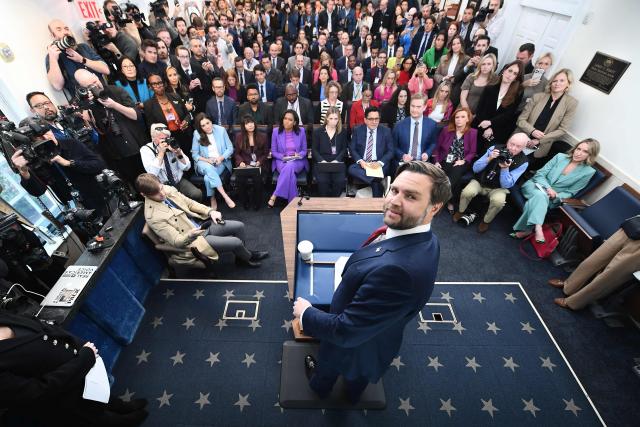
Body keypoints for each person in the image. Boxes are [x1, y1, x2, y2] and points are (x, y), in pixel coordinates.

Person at [293, 161, 451, 403]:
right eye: (395, 190)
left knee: (329, 369)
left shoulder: (397, 273)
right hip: (379, 336)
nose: (395, 200)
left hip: (352, 345)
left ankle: (320, 387)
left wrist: (306, 314)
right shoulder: (427, 239)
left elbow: (345, 331)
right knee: (358, 381)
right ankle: (352, 396)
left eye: (410, 196)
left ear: (434, 207)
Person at [0, 311, 149, 426]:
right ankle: (124, 422)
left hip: (78, 367)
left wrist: (76, 343)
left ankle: (123, 407)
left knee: (101, 393)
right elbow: (37, 391)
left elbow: (39, 326)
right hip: (62, 396)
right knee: (95, 417)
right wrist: (84, 360)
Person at [136, 173, 268, 269]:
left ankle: (241, 258)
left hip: (201, 225)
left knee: (239, 226)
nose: (163, 194)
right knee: (236, 242)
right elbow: (176, 241)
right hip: (194, 240)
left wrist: (210, 211)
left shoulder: (167, 189)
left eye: (161, 188)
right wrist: (190, 235)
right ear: (144, 195)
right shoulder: (153, 216)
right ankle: (247, 257)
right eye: (157, 193)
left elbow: (190, 203)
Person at [10, 118, 108, 213]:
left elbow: (99, 164)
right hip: (78, 213)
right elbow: (38, 192)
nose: (45, 138)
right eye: (37, 138)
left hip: (102, 198)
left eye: (46, 132)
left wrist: (69, 163)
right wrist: (24, 172)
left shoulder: (70, 143)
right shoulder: (35, 160)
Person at [512, 139, 600, 242]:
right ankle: (537, 228)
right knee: (541, 195)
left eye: (585, 151)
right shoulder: (560, 157)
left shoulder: (588, 172)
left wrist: (556, 196)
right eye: (578, 149)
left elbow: (571, 192)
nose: (579, 153)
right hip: (535, 186)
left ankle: (528, 229)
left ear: (590, 155)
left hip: (552, 198)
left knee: (539, 198)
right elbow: (540, 174)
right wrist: (548, 188)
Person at [548, 216, 640, 311]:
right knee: (594, 259)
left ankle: (575, 302)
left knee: (609, 276)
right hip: (631, 228)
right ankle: (569, 285)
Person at [74, 69, 146, 185]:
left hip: (138, 146)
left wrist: (114, 105)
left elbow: (136, 115)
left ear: (95, 75)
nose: (95, 86)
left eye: (94, 81)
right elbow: (93, 133)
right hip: (117, 155)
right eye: (89, 86)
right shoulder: (87, 104)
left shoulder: (116, 90)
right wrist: (87, 114)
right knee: (135, 184)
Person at [454, 133, 529, 233]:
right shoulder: (494, 148)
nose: (513, 148)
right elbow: (475, 168)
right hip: (481, 181)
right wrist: (489, 158)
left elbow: (507, 185)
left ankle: (486, 221)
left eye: (518, 146)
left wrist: (505, 169)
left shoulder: (524, 162)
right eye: (511, 144)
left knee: (499, 202)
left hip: (499, 188)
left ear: (524, 147)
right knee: (467, 192)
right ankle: (461, 211)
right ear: (507, 141)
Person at [515, 68, 578, 169]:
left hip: (540, 146)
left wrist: (539, 140)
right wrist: (533, 131)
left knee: (520, 170)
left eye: (562, 80)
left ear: (568, 83)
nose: (557, 83)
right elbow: (521, 120)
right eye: (555, 80)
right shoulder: (537, 97)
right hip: (521, 138)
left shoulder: (571, 103)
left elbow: (563, 130)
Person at [45, 19, 110, 98]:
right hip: (85, 103)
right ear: (53, 36)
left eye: (66, 28)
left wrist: (82, 60)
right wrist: (53, 59)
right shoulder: (52, 57)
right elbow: (58, 86)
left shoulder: (83, 47)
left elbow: (106, 70)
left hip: (105, 94)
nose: (65, 32)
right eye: (59, 30)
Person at [432, 107, 478, 213]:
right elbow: (437, 148)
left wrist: (464, 160)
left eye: (462, 117)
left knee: (454, 174)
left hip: (461, 161)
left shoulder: (473, 132)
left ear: (468, 119)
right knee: (443, 173)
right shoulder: (446, 130)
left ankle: (439, 201)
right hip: (446, 158)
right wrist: (437, 161)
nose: (459, 119)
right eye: (457, 117)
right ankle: (450, 201)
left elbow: (472, 152)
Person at [140, 123, 202, 203]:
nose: (166, 141)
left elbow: (187, 167)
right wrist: (161, 153)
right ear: (153, 138)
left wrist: (178, 153)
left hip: (178, 181)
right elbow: (152, 173)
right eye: (162, 138)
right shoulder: (146, 150)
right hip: (162, 186)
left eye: (167, 138)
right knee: (177, 203)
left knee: (197, 194)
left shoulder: (172, 144)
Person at [472, 60, 524, 153]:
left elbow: (508, 115)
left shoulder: (517, 94)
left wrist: (491, 125)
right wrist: (486, 126)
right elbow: (480, 109)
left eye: (515, 73)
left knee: (484, 156)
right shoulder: (490, 88)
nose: (510, 74)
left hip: (497, 131)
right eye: (510, 70)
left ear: (516, 78)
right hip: (480, 125)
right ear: (504, 71)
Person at [191, 113, 236, 209]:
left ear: (211, 121)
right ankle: (225, 196)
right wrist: (207, 160)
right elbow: (195, 155)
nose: (207, 127)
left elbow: (230, 148)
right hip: (203, 162)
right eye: (203, 125)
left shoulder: (221, 130)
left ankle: (212, 198)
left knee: (208, 178)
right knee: (208, 168)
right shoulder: (196, 133)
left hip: (219, 162)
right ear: (200, 127)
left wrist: (221, 158)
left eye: (208, 123)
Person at [348, 106, 394, 197]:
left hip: (378, 163)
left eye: (377, 119)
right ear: (365, 120)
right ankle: (380, 180)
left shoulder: (386, 131)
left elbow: (391, 151)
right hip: (364, 164)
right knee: (351, 169)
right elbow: (352, 149)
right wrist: (361, 161)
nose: (374, 122)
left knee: (381, 171)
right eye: (371, 119)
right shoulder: (358, 130)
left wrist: (380, 163)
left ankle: (376, 180)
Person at [143, 73, 193, 154]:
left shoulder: (175, 96)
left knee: (188, 159)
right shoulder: (148, 105)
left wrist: (186, 122)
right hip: (166, 141)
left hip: (183, 135)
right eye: (154, 84)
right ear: (150, 87)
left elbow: (187, 114)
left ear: (164, 83)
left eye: (160, 82)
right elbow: (151, 127)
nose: (158, 85)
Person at [268, 110, 309, 207]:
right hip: (281, 161)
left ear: (295, 123)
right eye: (285, 118)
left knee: (290, 166)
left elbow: (304, 150)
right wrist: (283, 157)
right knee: (291, 174)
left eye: (290, 120)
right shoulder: (276, 132)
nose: (286, 121)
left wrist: (298, 155)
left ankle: (274, 195)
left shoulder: (301, 131)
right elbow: (274, 152)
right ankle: (292, 204)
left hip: (297, 161)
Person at [393, 92, 437, 169]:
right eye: (412, 106)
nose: (414, 109)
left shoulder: (432, 125)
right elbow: (393, 146)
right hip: (404, 163)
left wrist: (427, 153)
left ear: (424, 107)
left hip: (422, 163)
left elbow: (433, 143)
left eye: (418, 107)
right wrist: (403, 155)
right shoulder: (399, 125)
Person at [233, 115, 268, 210]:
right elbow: (236, 154)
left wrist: (259, 161)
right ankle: (245, 201)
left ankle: (257, 202)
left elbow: (266, 154)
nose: (250, 125)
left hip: (258, 165)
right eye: (247, 123)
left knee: (258, 179)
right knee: (240, 179)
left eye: (252, 122)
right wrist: (240, 162)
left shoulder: (263, 136)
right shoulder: (239, 137)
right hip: (245, 164)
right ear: (243, 126)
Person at [312, 107, 348, 197]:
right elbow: (314, 150)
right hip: (322, 162)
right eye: (331, 118)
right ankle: (324, 204)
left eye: (336, 119)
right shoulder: (318, 132)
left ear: (339, 119)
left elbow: (344, 149)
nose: (333, 121)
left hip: (337, 162)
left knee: (339, 181)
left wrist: (337, 160)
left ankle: (334, 203)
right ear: (327, 118)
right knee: (323, 181)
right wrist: (322, 161)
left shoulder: (342, 131)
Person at [433, 35, 469, 106]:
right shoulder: (444, 58)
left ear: (462, 45)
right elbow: (436, 74)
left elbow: (463, 77)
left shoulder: (466, 59)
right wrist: (443, 78)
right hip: (441, 90)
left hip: (454, 92)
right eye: (453, 44)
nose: (456, 46)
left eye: (458, 43)